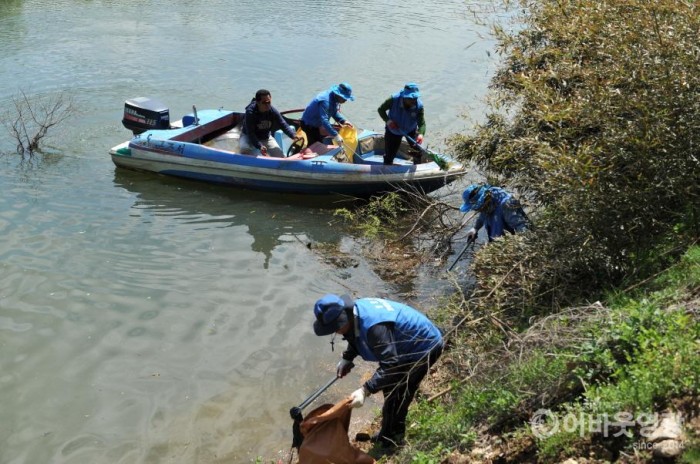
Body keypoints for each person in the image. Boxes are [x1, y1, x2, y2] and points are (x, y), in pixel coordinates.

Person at [312, 293, 443, 448]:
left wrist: (365, 390)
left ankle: (392, 439)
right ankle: (388, 432)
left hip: (423, 347)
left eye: (336, 329)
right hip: (399, 346)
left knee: (397, 394)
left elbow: (392, 365)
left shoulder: (375, 328)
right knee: (391, 391)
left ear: (343, 319)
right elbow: (354, 334)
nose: (336, 332)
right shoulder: (354, 312)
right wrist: (348, 357)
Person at [240, 89, 301, 157]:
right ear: (257, 102)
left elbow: (283, 124)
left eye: (269, 102)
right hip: (248, 136)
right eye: (264, 103)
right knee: (244, 151)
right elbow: (251, 133)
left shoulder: (272, 111)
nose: (267, 105)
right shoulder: (250, 112)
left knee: (280, 156)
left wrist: (293, 135)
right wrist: (260, 145)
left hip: (265, 137)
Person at [460, 184, 530, 242]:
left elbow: (522, 227)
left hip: (509, 246)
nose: (477, 209)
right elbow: (482, 217)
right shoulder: (487, 204)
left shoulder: (506, 205)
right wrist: (475, 228)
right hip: (497, 244)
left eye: (475, 206)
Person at [377, 83, 426, 165]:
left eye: (415, 98)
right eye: (411, 98)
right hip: (393, 130)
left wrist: (421, 134)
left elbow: (422, 123)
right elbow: (381, 110)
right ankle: (387, 168)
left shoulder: (419, 106)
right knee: (389, 155)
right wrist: (388, 121)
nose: (413, 101)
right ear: (404, 96)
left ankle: (416, 168)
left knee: (418, 151)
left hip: (411, 130)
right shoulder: (393, 99)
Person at [301, 83, 355, 147]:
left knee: (318, 144)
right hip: (308, 125)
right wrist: (336, 135)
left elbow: (333, 112)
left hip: (317, 125)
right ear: (338, 95)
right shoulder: (326, 101)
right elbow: (324, 120)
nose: (345, 100)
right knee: (315, 147)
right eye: (344, 98)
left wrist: (343, 121)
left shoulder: (334, 98)